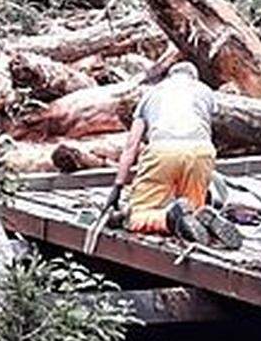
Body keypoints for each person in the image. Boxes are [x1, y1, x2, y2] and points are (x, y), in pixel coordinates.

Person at [104, 61, 242, 249]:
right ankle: (202, 216)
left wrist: (117, 187)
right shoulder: (205, 92)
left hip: (163, 150)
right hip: (201, 151)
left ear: (169, 76)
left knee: (136, 216)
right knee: (191, 212)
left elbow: (131, 146)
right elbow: (208, 127)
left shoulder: (152, 93)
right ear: (194, 78)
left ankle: (168, 218)